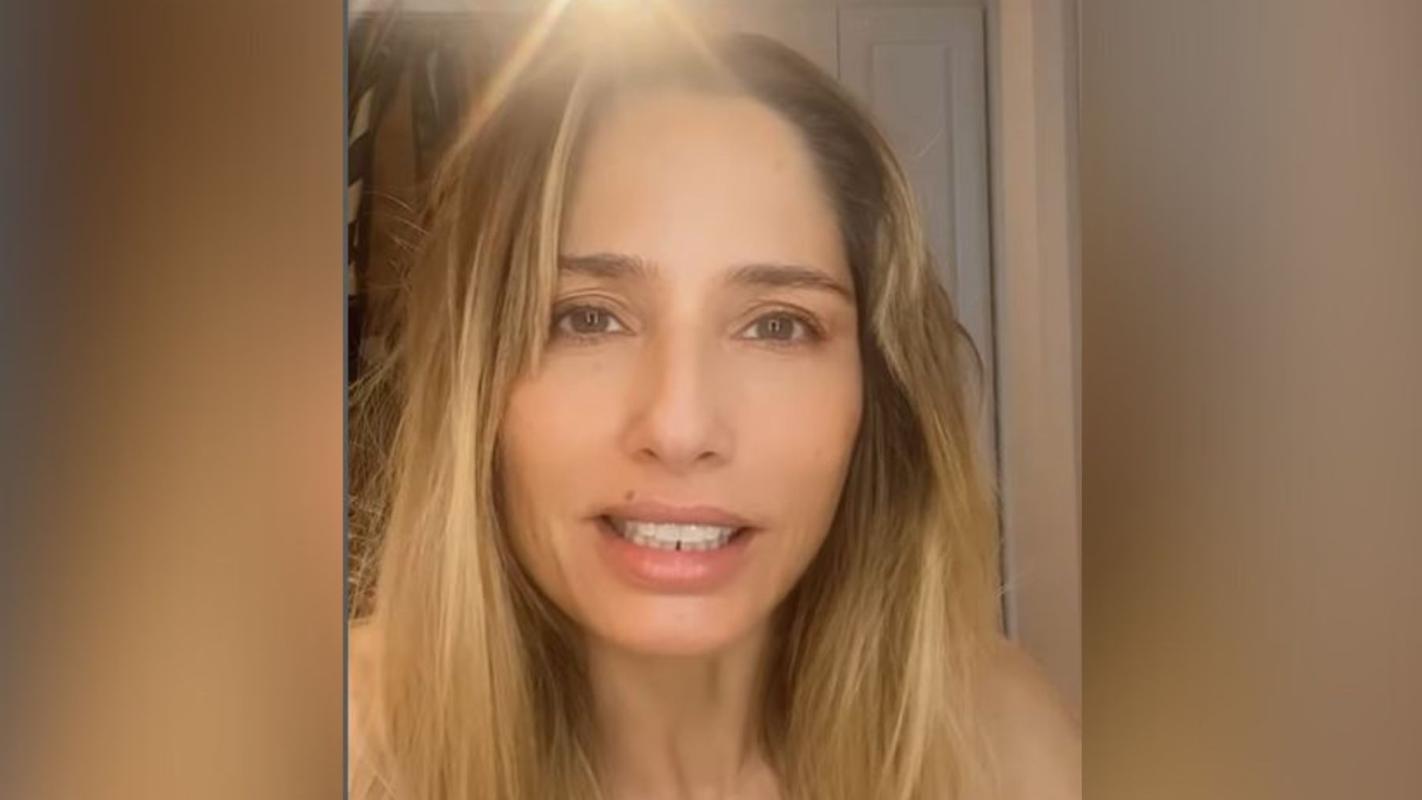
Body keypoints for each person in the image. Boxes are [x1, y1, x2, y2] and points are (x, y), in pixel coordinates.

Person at [348, 12, 1079, 799]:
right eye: (587, 317)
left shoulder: (998, 741)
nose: (679, 427)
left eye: (777, 325)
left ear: (876, 393)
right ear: (477, 382)